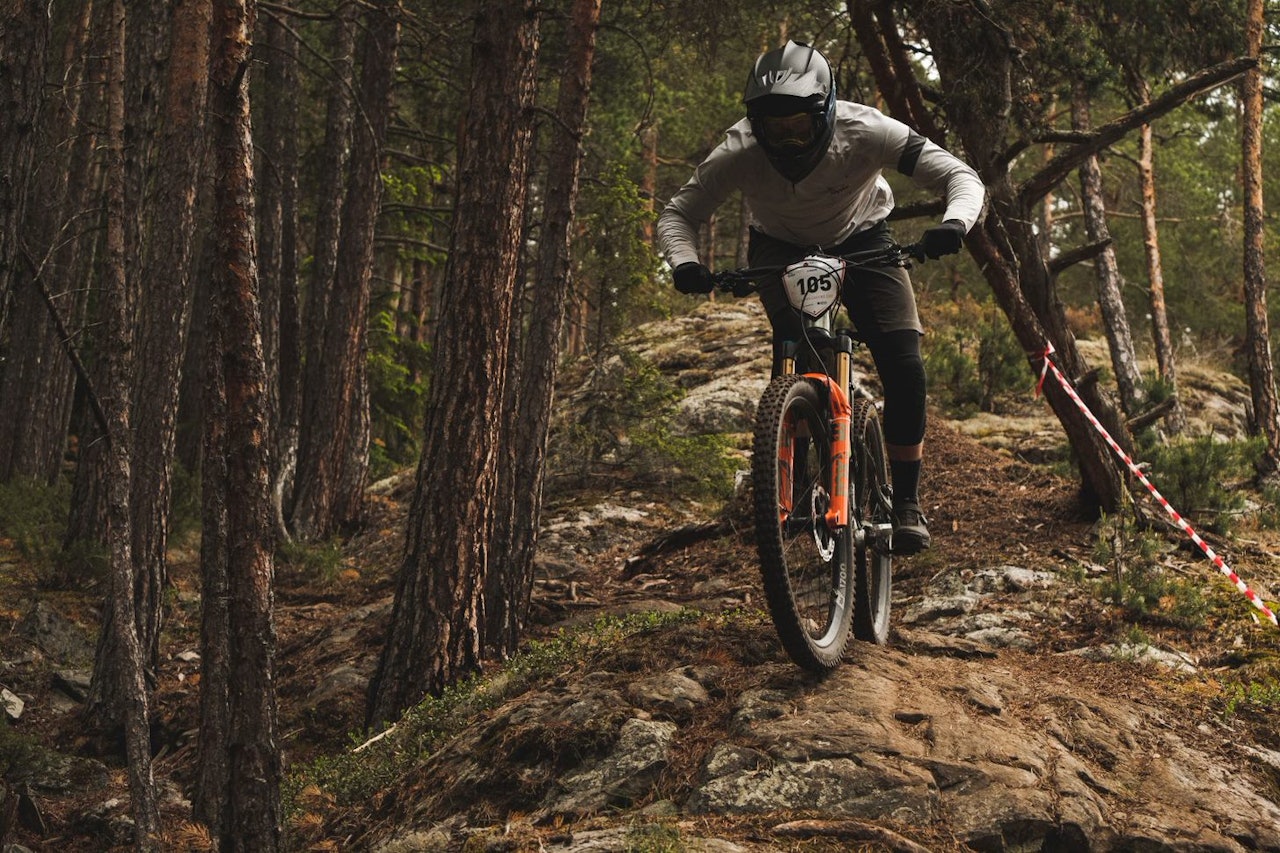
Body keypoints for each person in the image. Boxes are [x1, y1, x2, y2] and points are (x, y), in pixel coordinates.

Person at [656, 40, 986, 554]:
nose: (787, 140)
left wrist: (953, 224)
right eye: (774, 129)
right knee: (799, 353)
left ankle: (906, 502)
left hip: (864, 238)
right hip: (779, 247)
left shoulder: (868, 129)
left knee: (903, 361)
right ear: (756, 123)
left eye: (799, 127)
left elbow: (958, 175)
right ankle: (795, 481)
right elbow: (680, 214)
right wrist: (686, 264)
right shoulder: (739, 149)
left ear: (825, 111)